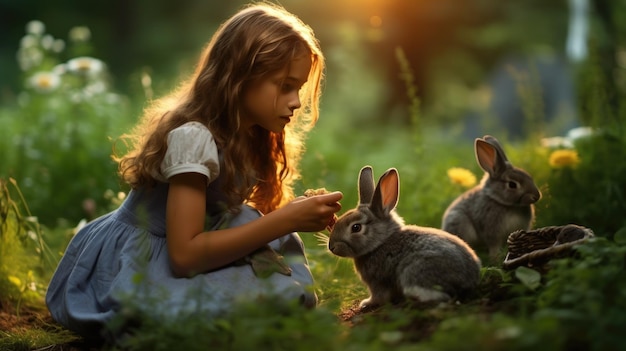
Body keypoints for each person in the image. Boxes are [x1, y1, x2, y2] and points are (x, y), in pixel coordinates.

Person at [45, 2, 343, 341]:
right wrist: (285, 220)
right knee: (247, 302)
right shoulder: (194, 137)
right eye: (285, 85)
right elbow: (184, 256)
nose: (296, 102)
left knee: (276, 283)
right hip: (150, 255)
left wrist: (295, 213)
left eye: (299, 88)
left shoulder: (251, 134)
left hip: (197, 242)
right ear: (241, 77)